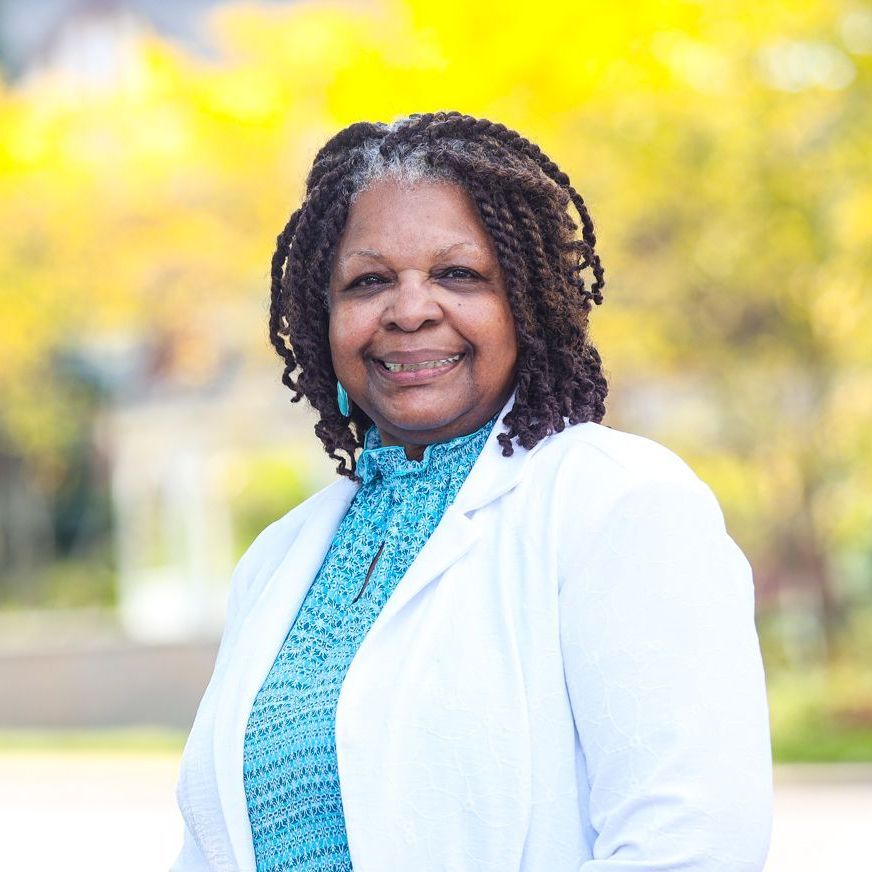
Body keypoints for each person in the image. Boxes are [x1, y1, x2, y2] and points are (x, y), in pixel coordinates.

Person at [172, 111, 773, 871]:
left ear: (528, 301)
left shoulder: (617, 503)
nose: (412, 309)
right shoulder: (279, 557)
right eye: (369, 281)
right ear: (323, 319)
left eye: (459, 274)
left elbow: (692, 844)